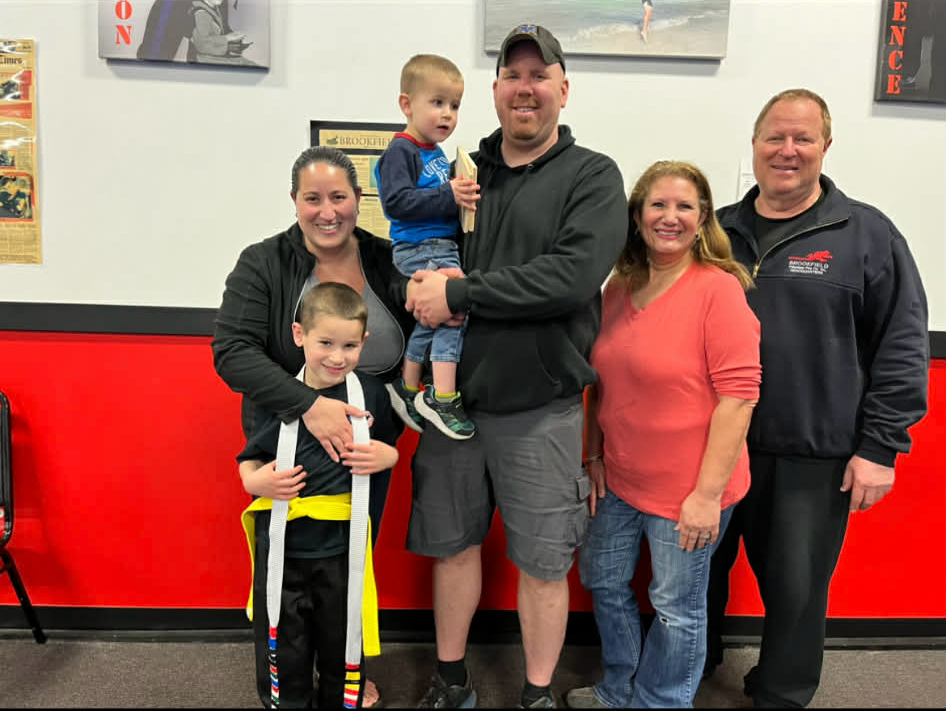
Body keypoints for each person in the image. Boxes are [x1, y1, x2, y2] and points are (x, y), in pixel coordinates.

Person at [405, 23, 628, 709]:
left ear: (563, 88)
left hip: (542, 409)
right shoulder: (459, 171)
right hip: (454, 408)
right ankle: (451, 682)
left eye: (540, 75)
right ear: (495, 91)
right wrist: (416, 288)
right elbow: (420, 246)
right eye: (512, 75)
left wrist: (462, 293)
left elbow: (570, 277)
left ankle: (534, 693)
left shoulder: (592, 175)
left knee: (543, 562)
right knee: (453, 548)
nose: (525, 88)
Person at [704, 88, 929, 708]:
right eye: (774, 136)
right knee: (693, 581)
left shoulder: (866, 233)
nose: (787, 150)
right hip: (713, 448)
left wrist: (881, 448)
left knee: (797, 591)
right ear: (753, 145)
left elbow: (903, 343)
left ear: (825, 147)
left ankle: (781, 695)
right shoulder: (715, 231)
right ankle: (685, 674)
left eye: (803, 138)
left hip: (812, 452)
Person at [212, 144, 415, 708]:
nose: (328, 211)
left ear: (358, 200)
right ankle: (291, 680)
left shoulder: (389, 258)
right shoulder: (264, 262)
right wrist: (309, 405)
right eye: (313, 198)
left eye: (340, 197)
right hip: (290, 441)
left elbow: (422, 330)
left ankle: (344, 670)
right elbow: (231, 352)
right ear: (295, 202)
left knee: (348, 573)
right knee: (293, 577)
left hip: (367, 446)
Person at [563, 161, 760, 709]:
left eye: (684, 207)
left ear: (702, 220)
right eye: (658, 205)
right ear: (637, 215)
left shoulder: (718, 290)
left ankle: (661, 701)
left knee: (676, 606)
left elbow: (739, 397)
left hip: (690, 489)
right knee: (603, 580)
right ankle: (620, 686)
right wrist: (594, 453)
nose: (669, 217)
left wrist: (706, 496)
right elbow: (600, 379)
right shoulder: (619, 286)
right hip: (621, 477)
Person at [237, 282, 400, 709]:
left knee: (342, 653)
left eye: (349, 345)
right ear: (299, 335)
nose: (336, 356)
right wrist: (255, 483)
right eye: (324, 342)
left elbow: (388, 451)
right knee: (283, 657)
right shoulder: (270, 397)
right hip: (284, 556)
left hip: (342, 556)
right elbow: (249, 461)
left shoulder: (372, 397)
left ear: (364, 343)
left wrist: (387, 456)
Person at [375, 53, 481, 441]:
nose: (447, 114)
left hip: (438, 245)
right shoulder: (401, 151)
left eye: (454, 105)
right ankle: (443, 396)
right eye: (437, 103)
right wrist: (448, 193)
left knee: (433, 318)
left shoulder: (435, 153)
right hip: (420, 248)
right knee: (455, 311)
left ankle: (407, 385)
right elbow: (397, 203)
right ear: (407, 104)